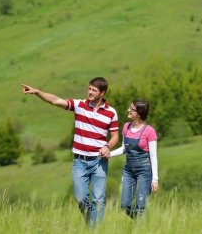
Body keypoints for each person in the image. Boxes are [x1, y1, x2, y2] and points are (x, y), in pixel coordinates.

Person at [21, 77, 118, 227]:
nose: (90, 92)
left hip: (99, 162)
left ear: (102, 93)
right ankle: (92, 224)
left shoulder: (111, 113)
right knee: (80, 198)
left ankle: (95, 230)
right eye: (89, 89)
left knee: (98, 200)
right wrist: (37, 92)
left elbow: (115, 137)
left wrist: (107, 146)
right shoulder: (79, 105)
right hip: (80, 161)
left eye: (94, 90)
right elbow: (56, 101)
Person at [109, 99, 159, 219]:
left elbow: (153, 156)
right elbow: (124, 149)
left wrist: (155, 179)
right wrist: (108, 154)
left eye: (132, 109)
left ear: (139, 113)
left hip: (144, 171)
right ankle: (140, 222)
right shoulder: (126, 127)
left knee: (141, 206)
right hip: (128, 171)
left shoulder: (149, 131)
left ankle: (141, 228)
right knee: (125, 205)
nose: (128, 110)